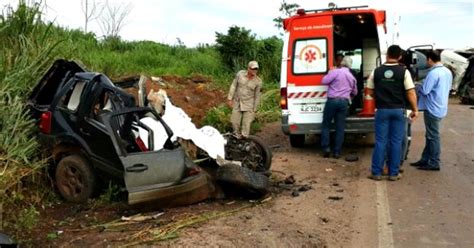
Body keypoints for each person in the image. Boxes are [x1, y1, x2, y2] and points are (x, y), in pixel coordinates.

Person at [367, 45, 419, 181]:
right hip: (398, 110)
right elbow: (411, 92)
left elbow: (369, 91)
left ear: (387, 55)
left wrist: (379, 98)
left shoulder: (376, 71)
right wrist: (415, 109)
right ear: (400, 56)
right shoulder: (404, 72)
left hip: (382, 110)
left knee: (380, 141)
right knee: (396, 142)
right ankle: (393, 173)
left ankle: (376, 173)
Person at [410, 51, 452, 171]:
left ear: (429, 59)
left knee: (433, 136)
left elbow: (426, 90)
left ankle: (434, 162)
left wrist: (416, 86)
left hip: (432, 108)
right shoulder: (447, 71)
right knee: (430, 135)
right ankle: (425, 159)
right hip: (441, 106)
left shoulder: (433, 73)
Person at [321, 56, 358, 158]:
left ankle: (326, 148)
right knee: (340, 128)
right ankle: (337, 152)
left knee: (326, 125)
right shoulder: (351, 77)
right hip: (344, 103)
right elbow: (355, 92)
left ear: (341, 63)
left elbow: (323, 81)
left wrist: (330, 72)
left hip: (332, 101)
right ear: (350, 65)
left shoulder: (335, 72)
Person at [227, 61, 262, 138]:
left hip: (249, 105)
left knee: (246, 125)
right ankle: (236, 138)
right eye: (253, 69)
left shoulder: (258, 81)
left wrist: (255, 109)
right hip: (237, 102)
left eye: (256, 69)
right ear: (248, 68)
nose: (254, 71)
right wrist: (229, 98)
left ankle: (245, 141)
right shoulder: (240, 74)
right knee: (234, 122)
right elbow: (233, 85)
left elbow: (257, 96)